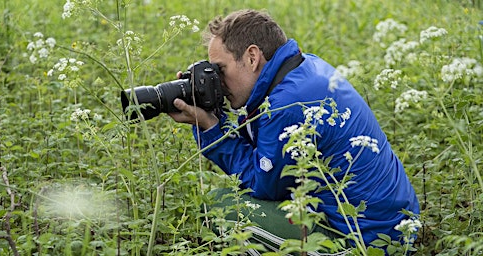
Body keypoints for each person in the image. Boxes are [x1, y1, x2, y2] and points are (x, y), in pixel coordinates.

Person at [168, 9, 420, 253]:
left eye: (220, 70)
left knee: (223, 206)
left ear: (252, 57)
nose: (217, 81)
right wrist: (214, 109)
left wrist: (210, 127)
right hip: (394, 226)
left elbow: (263, 185)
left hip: (367, 242)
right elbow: (266, 149)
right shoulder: (303, 68)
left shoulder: (286, 106)